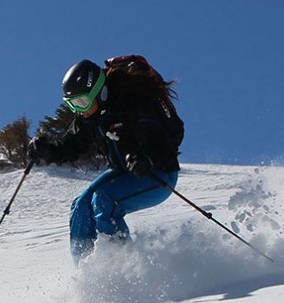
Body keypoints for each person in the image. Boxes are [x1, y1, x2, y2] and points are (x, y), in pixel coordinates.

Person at [28, 55, 184, 266]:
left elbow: (172, 135)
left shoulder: (133, 102)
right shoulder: (90, 115)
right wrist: (47, 150)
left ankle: (121, 269)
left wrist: (148, 158)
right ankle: (85, 274)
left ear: (98, 92)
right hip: (124, 172)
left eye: (81, 102)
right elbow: (73, 145)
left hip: (157, 174)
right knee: (81, 206)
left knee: (104, 200)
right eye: (72, 105)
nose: (78, 110)